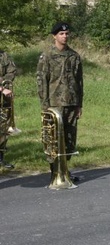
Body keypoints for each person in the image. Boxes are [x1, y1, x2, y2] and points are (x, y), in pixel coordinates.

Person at [37, 22, 84, 180]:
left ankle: (65, 170)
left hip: (71, 103)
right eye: (61, 34)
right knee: (54, 139)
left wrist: (79, 105)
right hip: (54, 103)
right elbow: (42, 81)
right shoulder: (47, 56)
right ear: (54, 36)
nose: (65, 36)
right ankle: (55, 172)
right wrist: (45, 105)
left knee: (69, 139)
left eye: (67, 34)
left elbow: (79, 82)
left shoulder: (74, 56)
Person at [0, 49, 18, 168]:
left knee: (4, 127)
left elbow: (12, 71)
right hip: (2, 91)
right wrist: (1, 87)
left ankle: (0, 158)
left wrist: (4, 84)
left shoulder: (3, 55)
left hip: (3, 97)